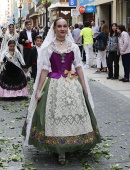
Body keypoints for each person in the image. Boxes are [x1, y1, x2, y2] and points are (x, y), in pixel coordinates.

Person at [22, 18, 101, 165]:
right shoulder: (49, 48)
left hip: (72, 85)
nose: (62, 29)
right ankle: (60, 149)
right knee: (55, 115)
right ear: (54, 29)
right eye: (59, 26)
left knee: (74, 114)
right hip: (54, 86)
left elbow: (78, 67)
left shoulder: (74, 47)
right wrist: (38, 90)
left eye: (65, 26)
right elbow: (44, 69)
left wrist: (84, 86)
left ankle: (74, 143)